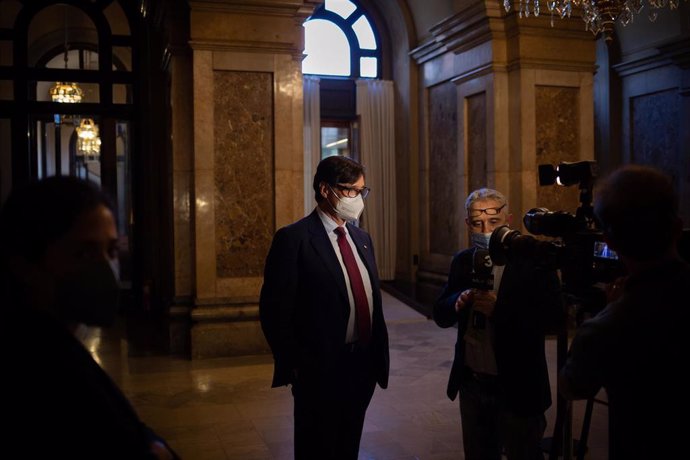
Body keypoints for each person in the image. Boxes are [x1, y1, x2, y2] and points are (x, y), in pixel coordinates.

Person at [0, 176, 178, 460]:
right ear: (25, 263)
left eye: (110, 251)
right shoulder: (34, 366)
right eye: (84, 252)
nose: (104, 269)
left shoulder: (58, 345)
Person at [259, 155, 389, 459]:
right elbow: (274, 311)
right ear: (325, 189)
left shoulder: (362, 238)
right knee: (317, 448)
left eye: (362, 191)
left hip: (363, 365)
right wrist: (296, 366)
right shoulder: (294, 239)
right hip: (319, 370)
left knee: (348, 445)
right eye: (350, 191)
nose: (357, 199)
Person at [559, 165, 689, 459]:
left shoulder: (608, 328)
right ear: (678, 228)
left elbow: (571, 385)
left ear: (610, 243)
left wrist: (608, 311)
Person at [433, 188, 563, 460]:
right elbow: (440, 313)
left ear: (509, 221)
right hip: (473, 385)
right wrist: (457, 301)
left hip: (517, 385)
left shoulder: (533, 263)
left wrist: (500, 309)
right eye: (478, 223)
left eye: (494, 222)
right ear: (468, 224)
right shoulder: (463, 261)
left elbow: (553, 318)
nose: (485, 229)